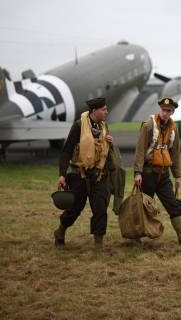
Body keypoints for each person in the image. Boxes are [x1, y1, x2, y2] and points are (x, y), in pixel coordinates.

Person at [54, 97, 113, 250]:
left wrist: (109, 142)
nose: (106, 112)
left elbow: (105, 152)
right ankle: (60, 231)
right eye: (104, 109)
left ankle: (98, 245)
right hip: (78, 175)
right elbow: (66, 151)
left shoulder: (104, 126)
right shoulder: (79, 126)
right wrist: (62, 174)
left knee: (100, 208)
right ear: (94, 111)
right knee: (74, 209)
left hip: (99, 175)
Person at [133, 97, 181, 246]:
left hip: (163, 175)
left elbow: (175, 154)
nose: (165, 113)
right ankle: (136, 235)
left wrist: (177, 176)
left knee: (172, 204)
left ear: (172, 112)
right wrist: (137, 173)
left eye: (168, 111)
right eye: (163, 110)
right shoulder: (148, 126)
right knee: (144, 207)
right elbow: (140, 150)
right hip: (147, 174)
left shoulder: (173, 129)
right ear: (160, 110)